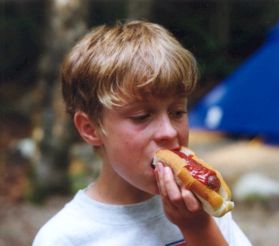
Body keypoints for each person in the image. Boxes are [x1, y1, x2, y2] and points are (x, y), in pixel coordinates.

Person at [33, 20, 251, 246]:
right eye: (141, 117)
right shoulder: (63, 237)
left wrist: (200, 230)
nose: (168, 132)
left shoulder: (203, 207)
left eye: (177, 112)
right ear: (91, 129)